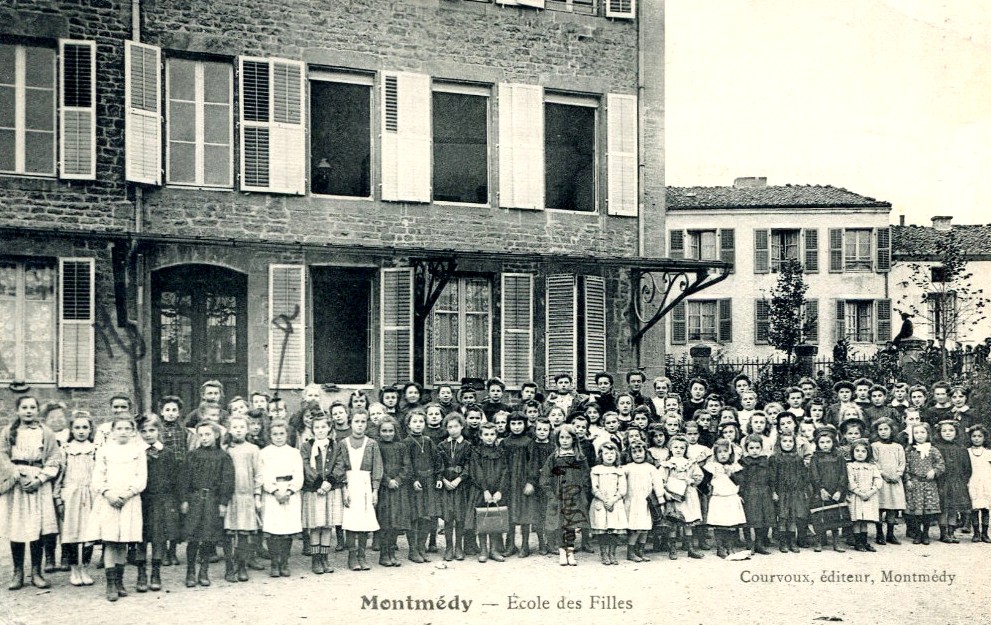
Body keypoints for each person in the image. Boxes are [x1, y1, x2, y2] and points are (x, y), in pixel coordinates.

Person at [1, 396, 62, 591]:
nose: (28, 411)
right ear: (17, 410)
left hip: (38, 481)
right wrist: (14, 473)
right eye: (24, 407)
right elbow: (2, 455)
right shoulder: (8, 431)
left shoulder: (46, 432)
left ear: (37, 410)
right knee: (17, 527)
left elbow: (54, 459)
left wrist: (40, 479)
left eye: (32, 407)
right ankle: (18, 572)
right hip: (16, 481)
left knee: (37, 528)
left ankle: (36, 571)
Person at [88, 415, 147, 601]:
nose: (123, 432)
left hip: (129, 500)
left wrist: (129, 493)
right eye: (119, 429)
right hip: (109, 500)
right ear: (112, 432)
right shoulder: (104, 451)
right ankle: (110, 583)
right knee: (111, 541)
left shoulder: (138, 451)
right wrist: (108, 494)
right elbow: (97, 477)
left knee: (124, 542)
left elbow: (141, 477)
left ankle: (120, 581)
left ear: (133, 432)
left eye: (127, 429)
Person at [181, 421, 235, 588]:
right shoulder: (192, 455)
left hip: (212, 501)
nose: (204, 438)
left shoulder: (223, 457)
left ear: (216, 435)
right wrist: (184, 500)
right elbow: (184, 479)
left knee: (207, 538)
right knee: (193, 538)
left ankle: (203, 571)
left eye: (208, 434)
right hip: (195, 500)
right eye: (201, 435)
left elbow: (228, 481)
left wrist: (223, 502)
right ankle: (190, 572)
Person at [135, 415, 182, 592]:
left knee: (158, 538)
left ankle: (156, 572)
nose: (148, 434)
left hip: (161, 500)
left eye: (152, 430)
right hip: (140, 500)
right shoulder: (136, 453)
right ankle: (141, 573)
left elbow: (175, 479)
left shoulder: (167, 453)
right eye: (144, 431)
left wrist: (174, 501)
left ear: (159, 431)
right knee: (140, 538)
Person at [55, 412, 97, 587]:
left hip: (90, 494)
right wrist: (58, 497)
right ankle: (74, 569)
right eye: (77, 427)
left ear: (90, 429)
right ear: (71, 430)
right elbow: (59, 475)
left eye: (85, 427)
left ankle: (85, 568)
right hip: (70, 494)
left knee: (89, 533)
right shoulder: (65, 450)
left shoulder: (95, 449)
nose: (81, 431)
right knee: (71, 533)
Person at [539, 424, 590, 567]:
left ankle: (571, 551)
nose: (565, 440)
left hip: (575, 497)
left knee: (571, 525)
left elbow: (586, 478)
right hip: (559, 497)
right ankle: (562, 551)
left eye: (568, 437)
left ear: (574, 439)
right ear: (557, 439)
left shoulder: (579, 458)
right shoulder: (554, 458)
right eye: (562, 437)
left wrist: (582, 495)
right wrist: (551, 496)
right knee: (560, 525)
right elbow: (545, 478)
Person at [299, 412, 343, 574]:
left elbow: (340, 464)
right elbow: (305, 465)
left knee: (327, 526)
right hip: (313, 490)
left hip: (330, 490)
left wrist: (329, 482)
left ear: (329, 428)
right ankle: (315, 560)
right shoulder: (306, 446)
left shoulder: (336, 446)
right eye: (316, 427)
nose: (320, 430)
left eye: (323, 427)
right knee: (315, 526)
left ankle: (325, 559)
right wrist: (318, 483)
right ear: (312, 429)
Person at [259, 420, 304, 577]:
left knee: (287, 530)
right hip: (272, 495)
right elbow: (263, 475)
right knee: (273, 531)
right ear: (269, 435)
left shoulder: (294, 452)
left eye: (282, 434)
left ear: (287, 434)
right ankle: (274, 562)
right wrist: (274, 490)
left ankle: (284, 562)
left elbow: (299, 474)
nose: (278, 437)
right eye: (275, 434)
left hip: (290, 494)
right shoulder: (264, 453)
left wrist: (290, 491)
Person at [341, 411, 383, 571]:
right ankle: (352, 557)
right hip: (350, 485)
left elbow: (377, 468)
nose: (359, 425)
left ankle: (361, 555)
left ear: (367, 424)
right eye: (356, 421)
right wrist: (344, 489)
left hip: (365, 485)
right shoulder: (343, 443)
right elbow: (339, 468)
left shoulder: (372, 444)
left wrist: (375, 490)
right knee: (351, 522)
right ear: (351, 423)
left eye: (363, 422)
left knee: (364, 521)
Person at [223, 415, 263, 582]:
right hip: (230, 497)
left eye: (241, 427)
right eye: (235, 427)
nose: (238, 430)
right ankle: (229, 568)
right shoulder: (225, 449)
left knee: (245, 533)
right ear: (229, 430)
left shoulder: (253, 449)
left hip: (246, 497)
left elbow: (258, 474)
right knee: (230, 533)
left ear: (247, 429)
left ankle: (242, 566)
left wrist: (257, 496)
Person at [404, 409, 442, 563]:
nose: (418, 425)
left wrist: (438, 476)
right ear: (408, 425)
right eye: (414, 422)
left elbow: (437, 460)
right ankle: (413, 550)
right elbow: (406, 464)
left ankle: (421, 547)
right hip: (415, 484)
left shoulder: (428, 441)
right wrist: (413, 479)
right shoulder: (406, 443)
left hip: (429, 482)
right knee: (415, 516)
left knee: (427, 516)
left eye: (421, 421)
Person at [468, 423, 509, 563]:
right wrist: (485, 489)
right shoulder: (476, 452)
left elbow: (505, 471)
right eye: (486, 434)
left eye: (492, 434)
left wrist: (500, 490)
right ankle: (483, 549)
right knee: (482, 519)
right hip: (481, 491)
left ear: (496, 435)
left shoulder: (501, 452)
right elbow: (476, 471)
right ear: (480, 436)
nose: (489, 437)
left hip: (496, 491)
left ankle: (494, 549)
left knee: (495, 519)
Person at [659, 435, 704, 559]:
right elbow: (661, 479)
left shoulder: (690, 463)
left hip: (688, 494)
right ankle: (672, 549)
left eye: (682, 448)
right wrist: (665, 492)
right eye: (675, 447)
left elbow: (698, 475)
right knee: (673, 521)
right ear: (670, 448)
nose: (678, 450)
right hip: (673, 495)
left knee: (688, 521)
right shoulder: (667, 464)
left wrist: (692, 480)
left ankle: (690, 548)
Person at [375, 416, 411, 568]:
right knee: (385, 521)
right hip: (384, 489)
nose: (387, 433)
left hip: (398, 489)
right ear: (379, 432)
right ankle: (384, 555)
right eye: (384, 431)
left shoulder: (401, 446)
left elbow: (407, 467)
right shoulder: (377, 446)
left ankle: (392, 552)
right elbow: (376, 467)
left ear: (395, 431)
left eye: (390, 431)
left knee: (396, 521)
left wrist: (398, 480)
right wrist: (387, 480)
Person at [438, 413, 472, 562]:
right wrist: (443, 479)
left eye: (456, 426)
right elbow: (438, 465)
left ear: (462, 427)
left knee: (459, 517)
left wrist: (459, 479)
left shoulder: (467, 445)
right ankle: (448, 547)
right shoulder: (442, 445)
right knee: (448, 518)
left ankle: (459, 547)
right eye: (449, 427)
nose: (453, 430)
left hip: (460, 486)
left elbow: (469, 466)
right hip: (446, 485)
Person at [703, 439, 745, 559]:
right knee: (719, 524)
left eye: (725, 451)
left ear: (730, 453)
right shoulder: (712, 467)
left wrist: (731, 474)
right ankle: (720, 548)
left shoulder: (735, 466)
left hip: (731, 498)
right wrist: (709, 490)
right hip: (719, 499)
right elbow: (704, 482)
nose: (722, 454)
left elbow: (741, 482)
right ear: (715, 454)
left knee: (731, 524)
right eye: (719, 452)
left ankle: (730, 546)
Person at [502, 412, 536, 558]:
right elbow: (501, 464)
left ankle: (525, 545)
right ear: (509, 425)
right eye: (513, 424)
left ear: (525, 424)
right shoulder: (505, 442)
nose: (516, 427)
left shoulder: (529, 442)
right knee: (509, 514)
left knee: (524, 514)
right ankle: (510, 545)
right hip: (508, 483)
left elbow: (533, 464)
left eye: (520, 423)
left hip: (523, 482)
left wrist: (531, 482)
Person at [904, 423, 945, 545]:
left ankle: (926, 533)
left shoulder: (933, 450)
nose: (919, 435)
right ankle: (918, 533)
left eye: (922, 432)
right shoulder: (909, 450)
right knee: (916, 511)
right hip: (915, 484)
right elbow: (905, 466)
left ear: (928, 434)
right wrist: (908, 480)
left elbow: (941, 464)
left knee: (927, 511)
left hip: (929, 484)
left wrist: (934, 471)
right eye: (916, 433)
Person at [809, 426, 848, 553]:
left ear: (833, 442)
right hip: (821, 491)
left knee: (835, 516)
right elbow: (814, 475)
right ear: (817, 444)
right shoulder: (815, 458)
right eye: (822, 442)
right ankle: (819, 541)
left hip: (835, 491)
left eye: (828, 442)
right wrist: (820, 489)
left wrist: (839, 490)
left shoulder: (839, 457)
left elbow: (843, 474)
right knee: (820, 516)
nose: (825, 445)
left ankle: (836, 542)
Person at [933, 420, 972, 543]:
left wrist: (962, 481)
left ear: (956, 432)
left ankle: (951, 532)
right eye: (944, 431)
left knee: (953, 509)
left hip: (957, 482)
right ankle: (943, 533)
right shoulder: (936, 448)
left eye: (951, 430)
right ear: (939, 433)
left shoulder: (961, 448)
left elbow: (967, 468)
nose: (948, 433)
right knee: (943, 508)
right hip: (942, 482)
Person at [589, 442, 628, 566]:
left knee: (613, 530)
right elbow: (594, 488)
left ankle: (612, 553)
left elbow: (622, 489)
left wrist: (612, 500)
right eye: (606, 453)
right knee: (603, 530)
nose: (609, 456)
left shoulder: (619, 470)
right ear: (601, 455)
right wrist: (604, 500)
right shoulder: (596, 470)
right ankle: (604, 553)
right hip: (601, 502)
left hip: (615, 503)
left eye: (612, 453)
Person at [771, 433, 811, 553]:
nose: (788, 443)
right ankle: (783, 543)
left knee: (793, 518)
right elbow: (772, 477)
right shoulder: (775, 458)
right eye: (785, 441)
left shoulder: (798, 458)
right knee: (783, 517)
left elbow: (803, 476)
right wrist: (773, 491)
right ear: (779, 443)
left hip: (795, 492)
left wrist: (803, 490)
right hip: (782, 492)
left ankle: (792, 542)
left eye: (790, 441)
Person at [870, 417, 906, 545]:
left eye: (886, 429)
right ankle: (880, 534)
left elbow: (902, 463)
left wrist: (898, 474)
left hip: (895, 481)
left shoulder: (898, 447)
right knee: (880, 507)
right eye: (880, 429)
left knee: (892, 507)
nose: (883, 432)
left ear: (892, 430)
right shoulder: (875, 446)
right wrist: (883, 474)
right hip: (881, 481)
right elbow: (874, 462)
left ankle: (890, 534)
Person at [623, 442, 659, 562]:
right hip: (632, 502)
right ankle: (630, 552)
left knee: (645, 528)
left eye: (640, 451)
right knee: (635, 528)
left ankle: (640, 551)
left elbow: (657, 484)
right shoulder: (627, 468)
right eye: (634, 452)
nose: (638, 454)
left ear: (645, 452)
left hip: (646, 502)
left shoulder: (651, 468)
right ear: (630, 454)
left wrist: (661, 498)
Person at [737, 435, 773, 555]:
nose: (754, 450)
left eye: (757, 448)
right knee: (748, 519)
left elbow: (771, 478)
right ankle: (749, 543)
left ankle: (759, 543)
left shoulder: (765, 461)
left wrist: (772, 491)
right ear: (747, 449)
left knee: (763, 518)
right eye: (751, 448)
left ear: (761, 448)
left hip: (764, 493)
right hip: (749, 493)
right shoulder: (743, 462)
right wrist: (740, 493)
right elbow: (740, 479)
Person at [846, 439, 883, 552]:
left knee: (865, 520)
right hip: (856, 496)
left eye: (863, 451)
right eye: (857, 451)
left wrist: (871, 491)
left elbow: (878, 480)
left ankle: (864, 541)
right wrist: (859, 492)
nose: (860, 453)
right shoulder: (850, 466)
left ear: (868, 453)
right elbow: (850, 481)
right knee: (857, 519)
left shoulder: (872, 467)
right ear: (853, 452)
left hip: (869, 496)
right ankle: (858, 543)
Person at [529, 418, 555, 556]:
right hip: (536, 485)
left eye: (545, 429)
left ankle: (550, 542)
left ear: (549, 431)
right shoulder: (531, 445)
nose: (542, 432)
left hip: (549, 484)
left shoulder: (552, 447)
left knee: (549, 513)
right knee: (538, 515)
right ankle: (541, 543)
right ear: (535, 430)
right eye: (539, 429)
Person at [966, 425, 991, 542]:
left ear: (984, 438)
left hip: (986, 482)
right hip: (973, 481)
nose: (976, 438)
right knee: (974, 509)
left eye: (979, 436)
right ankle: (976, 533)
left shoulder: (988, 452)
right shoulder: (967, 452)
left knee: (985, 509)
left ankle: (985, 533)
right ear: (970, 437)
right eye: (974, 436)